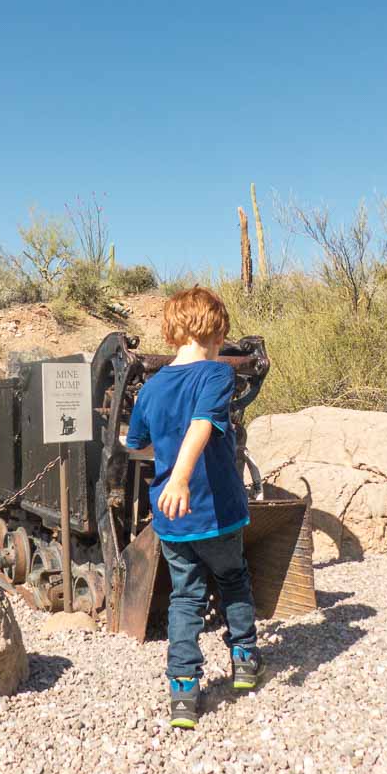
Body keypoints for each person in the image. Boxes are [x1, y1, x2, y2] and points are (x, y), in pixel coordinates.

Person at [124, 286, 264, 729]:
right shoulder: (217, 375)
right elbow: (204, 423)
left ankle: (183, 690)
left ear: (171, 334)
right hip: (217, 511)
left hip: (172, 517)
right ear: (218, 331)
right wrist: (184, 475)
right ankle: (244, 661)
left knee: (185, 598)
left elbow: (137, 444)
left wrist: (170, 464)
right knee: (234, 579)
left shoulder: (151, 387)